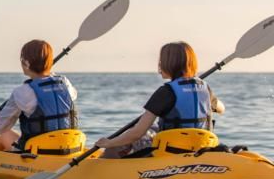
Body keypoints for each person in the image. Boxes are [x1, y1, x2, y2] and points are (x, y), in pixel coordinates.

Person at [95, 41, 225, 158]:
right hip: (200, 147)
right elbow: (221, 109)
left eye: (162, 61)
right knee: (152, 128)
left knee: (120, 142)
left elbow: (137, 133)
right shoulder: (205, 88)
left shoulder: (166, 92)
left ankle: (102, 170)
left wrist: (109, 142)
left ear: (170, 64)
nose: (159, 65)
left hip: (170, 151)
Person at [0, 39, 79, 152]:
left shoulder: (23, 91)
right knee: (6, 135)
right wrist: (48, 74)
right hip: (69, 147)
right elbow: (56, 94)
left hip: (35, 153)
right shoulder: (65, 83)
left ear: (26, 63)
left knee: (2, 133)